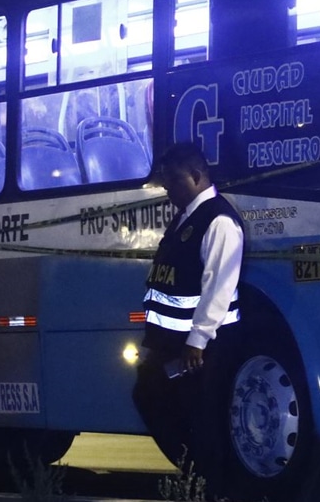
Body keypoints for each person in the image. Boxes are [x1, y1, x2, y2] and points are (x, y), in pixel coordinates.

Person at [132, 142, 244, 468]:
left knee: (195, 415)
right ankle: (195, 475)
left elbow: (218, 286)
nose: (168, 190)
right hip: (172, 344)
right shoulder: (187, 217)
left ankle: (205, 481)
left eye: (173, 182)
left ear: (196, 176)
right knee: (156, 398)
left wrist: (198, 340)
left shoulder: (218, 221)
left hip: (200, 349)